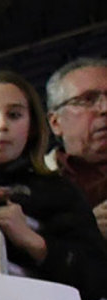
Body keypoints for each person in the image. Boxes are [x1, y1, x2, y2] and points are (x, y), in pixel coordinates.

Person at [0, 70, 107, 299]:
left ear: (32, 126)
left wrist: (36, 243)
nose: (2, 125)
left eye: (14, 115)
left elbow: (97, 279)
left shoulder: (59, 190)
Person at [44, 57, 107, 244]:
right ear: (56, 122)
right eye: (88, 100)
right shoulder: (35, 186)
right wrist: (87, 231)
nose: (105, 108)